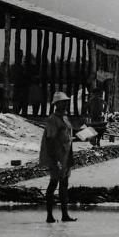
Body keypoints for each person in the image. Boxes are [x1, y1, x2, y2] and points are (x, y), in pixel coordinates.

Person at [39, 91, 76, 223]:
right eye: (62, 102)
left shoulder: (64, 118)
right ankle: (49, 215)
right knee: (53, 184)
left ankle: (65, 215)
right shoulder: (52, 120)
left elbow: (67, 135)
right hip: (57, 157)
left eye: (66, 102)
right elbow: (50, 141)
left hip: (66, 156)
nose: (65, 104)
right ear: (56, 104)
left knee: (64, 185)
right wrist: (56, 161)